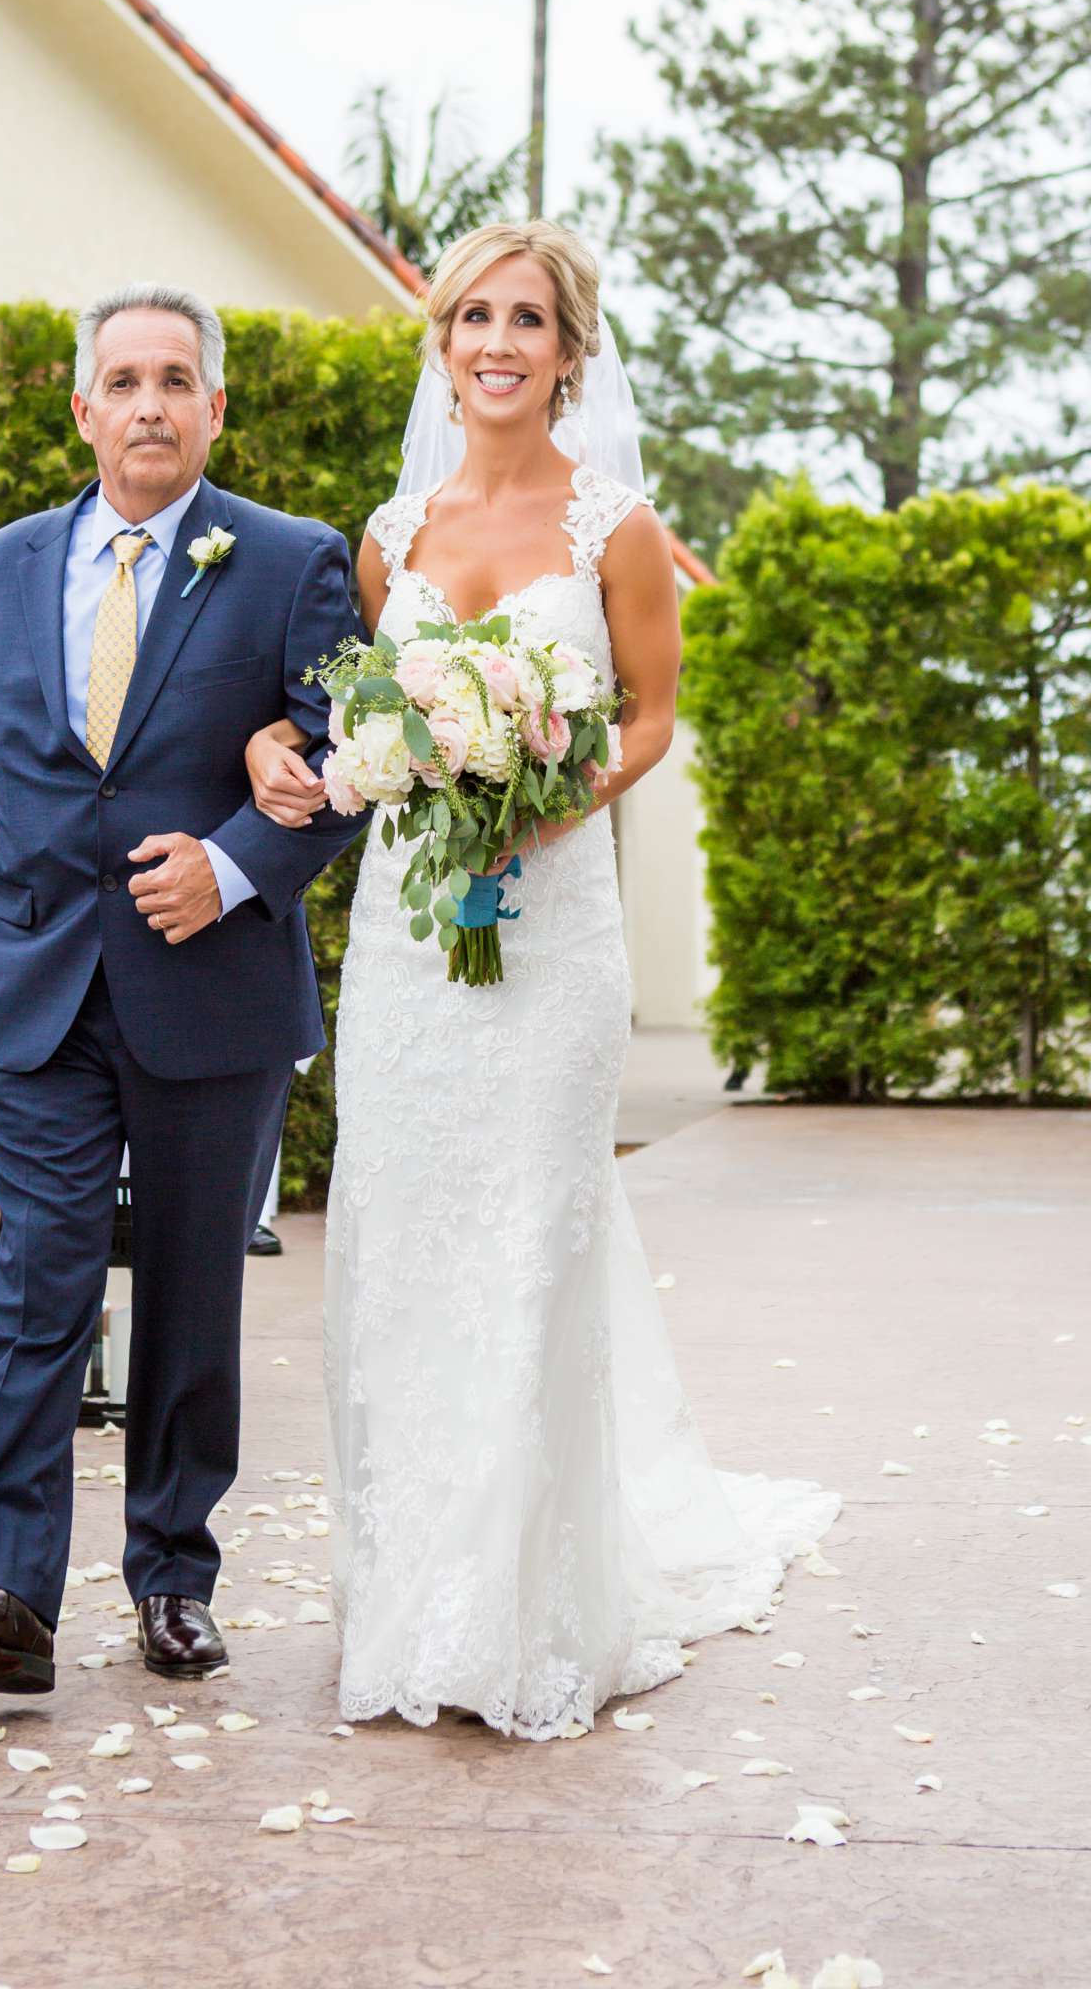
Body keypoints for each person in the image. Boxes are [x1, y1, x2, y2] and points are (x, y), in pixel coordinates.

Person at [247, 220, 839, 1739]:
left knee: (527, 1239)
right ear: (441, 344)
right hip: (411, 939)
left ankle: (521, 1614)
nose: (497, 343)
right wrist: (318, 756)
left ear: (570, 351)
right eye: (472, 319)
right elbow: (336, 723)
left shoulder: (617, 530)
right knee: (403, 1239)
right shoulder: (390, 535)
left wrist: (559, 788)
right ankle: (411, 1594)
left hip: (556, 928)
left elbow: (650, 712)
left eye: (527, 320)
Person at [0, 282, 367, 1697]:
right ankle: (5, 1596)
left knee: (186, 1296)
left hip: (209, 988)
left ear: (214, 408)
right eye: (125, 379)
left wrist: (230, 868)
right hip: (33, 984)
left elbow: (353, 759)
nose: (150, 403)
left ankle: (172, 1579)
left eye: (177, 379)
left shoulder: (291, 562)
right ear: (83, 405)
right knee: (39, 1282)